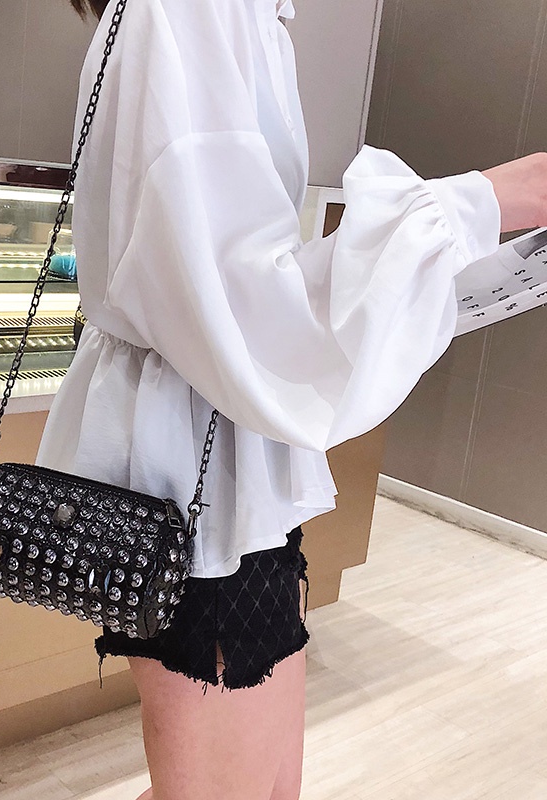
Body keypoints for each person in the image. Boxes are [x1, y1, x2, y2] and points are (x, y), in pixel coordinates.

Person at [36, 0, 547, 797]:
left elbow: (231, 287)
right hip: (195, 483)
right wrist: (488, 201)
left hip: (213, 469)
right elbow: (237, 309)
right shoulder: (196, 10)